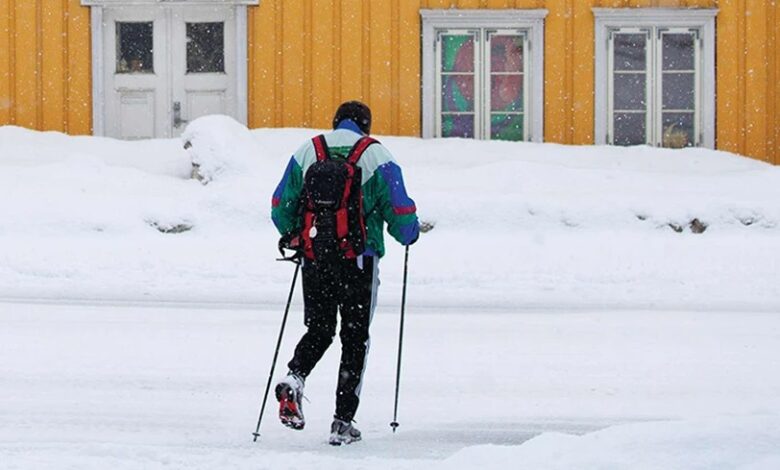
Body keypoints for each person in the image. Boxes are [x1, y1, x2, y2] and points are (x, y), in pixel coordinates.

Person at [270, 101, 419, 445]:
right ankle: (342, 422)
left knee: (319, 329)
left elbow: (280, 204)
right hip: (359, 261)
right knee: (354, 338)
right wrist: (409, 233)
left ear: (336, 122)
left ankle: (295, 378)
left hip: (315, 257)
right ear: (365, 125)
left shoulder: (309, 150)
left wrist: (298, 234)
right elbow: (399, 209)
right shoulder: (376, 155)